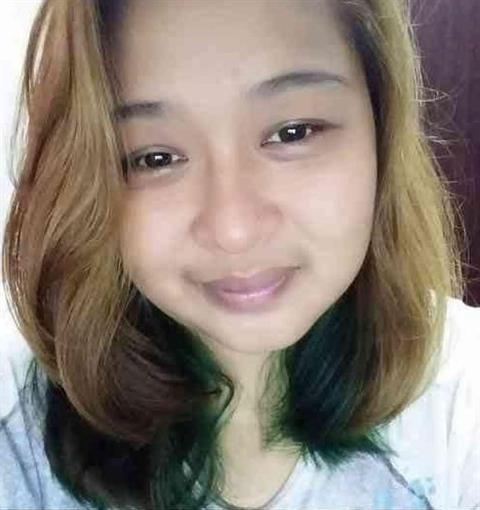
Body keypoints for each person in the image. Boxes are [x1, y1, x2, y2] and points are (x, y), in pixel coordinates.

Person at [0, 0, 479, 508]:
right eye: (154, 158)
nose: (234, 230)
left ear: (381, 127)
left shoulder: (460, 406)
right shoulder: (19, 440)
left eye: (293, 132)